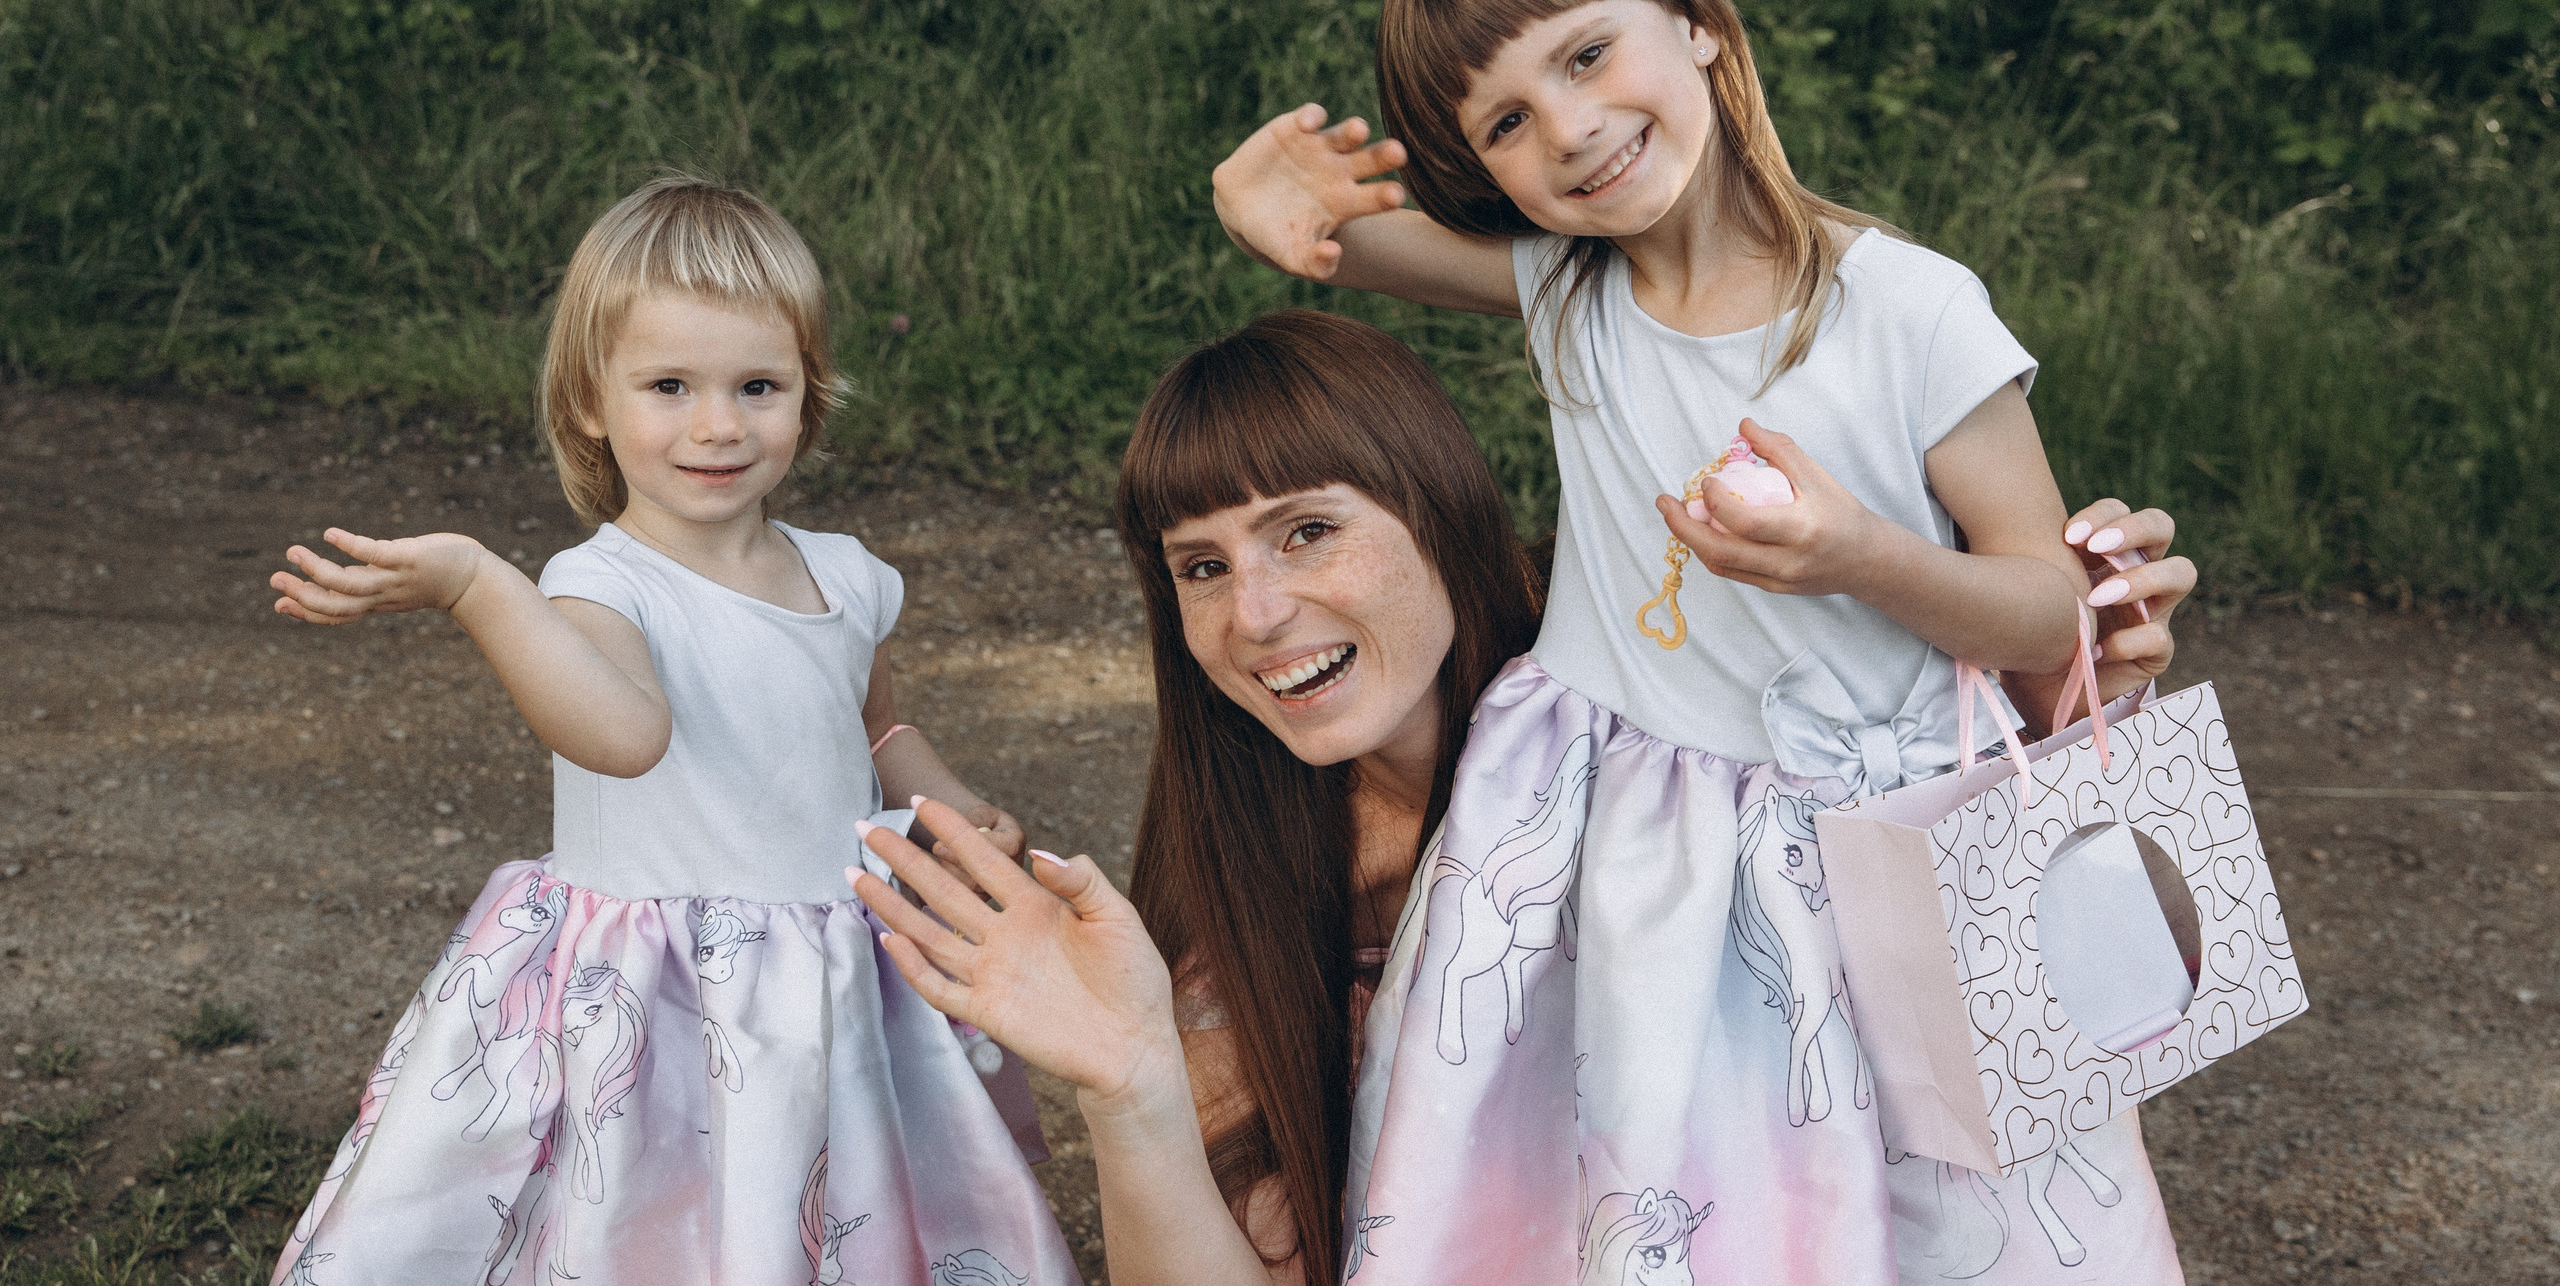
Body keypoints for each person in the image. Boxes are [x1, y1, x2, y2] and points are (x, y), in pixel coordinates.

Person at [853, 311, 2192, 1285]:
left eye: (1308, 528)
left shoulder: (1692, 717)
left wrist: (2046, 702)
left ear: (1437, 505)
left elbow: (2097, 1008)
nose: (1256, 613)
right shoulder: (1248, 905)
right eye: (1198, 567)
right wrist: (1133, 1081)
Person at [264, 177, 1078, 1286]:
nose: (717, 424)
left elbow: (878, 724)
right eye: (668, 385)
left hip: (828, 967)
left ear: (809, 395)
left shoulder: (845, 574)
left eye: (757, 385)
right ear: (592, 400)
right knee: (660, 1212)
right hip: (661, 988)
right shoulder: (599, 585)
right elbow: (620, 733)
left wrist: (951, 808)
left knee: (836, 1198)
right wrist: (476, 583)